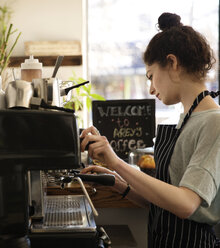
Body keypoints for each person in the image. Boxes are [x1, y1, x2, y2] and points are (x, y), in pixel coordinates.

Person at [80, 12, 220, 248]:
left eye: (151, 76)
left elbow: (185, 204)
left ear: (173, 63)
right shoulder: (186, 119)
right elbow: (163, 199)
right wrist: (118, 182)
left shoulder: (213, 123)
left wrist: (117, 163)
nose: (150, 89)